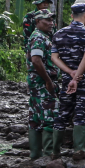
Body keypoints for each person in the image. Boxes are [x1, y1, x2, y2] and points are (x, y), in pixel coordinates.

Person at [50, 2, 85, 160]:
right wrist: (77, 76)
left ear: (71, 15)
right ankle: (79, 149)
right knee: (81, 113)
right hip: (84, 81)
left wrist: (70, 73)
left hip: (66, 80)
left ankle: (55, 150)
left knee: (63, 112)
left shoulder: (58, 34)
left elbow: (54, 58)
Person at [25, 10, 58, 159]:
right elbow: (36, 60)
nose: (51, 23)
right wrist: (48, 81)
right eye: (47, 20)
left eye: (51, 20)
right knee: (49, 115)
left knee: (35, 116)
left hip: (36, 82)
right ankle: (49, 153)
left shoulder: (42, 36)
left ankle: (36, 154)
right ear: (37, 22)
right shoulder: (38, 37)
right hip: (41, 82)